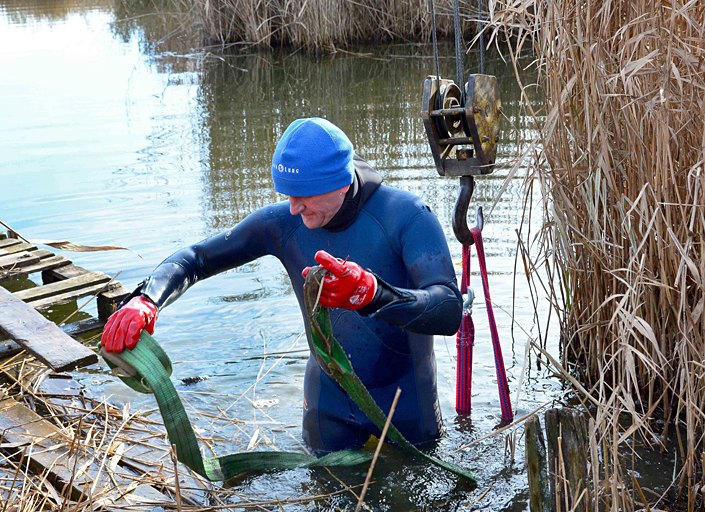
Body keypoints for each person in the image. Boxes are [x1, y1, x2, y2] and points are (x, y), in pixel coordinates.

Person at [101, 118, 463, 453]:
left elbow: (448, 310)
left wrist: (372, 294)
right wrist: (146, 300)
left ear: (339, 182)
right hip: (328, 402)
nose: (292, 208)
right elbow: (195, 258)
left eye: (303, 195)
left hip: (406, 399)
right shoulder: (283, 225)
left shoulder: (408, 216)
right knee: (322, 497)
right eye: (287, 194)